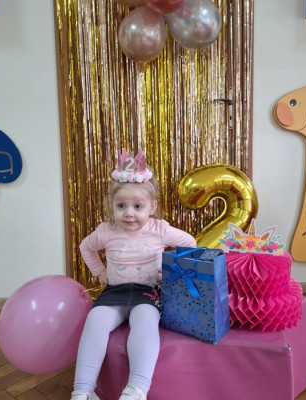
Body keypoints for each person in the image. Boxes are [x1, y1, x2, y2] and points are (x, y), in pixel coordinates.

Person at [71, 148, 197, 400]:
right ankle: (83, 390)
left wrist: (170, 271)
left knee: (145, 321)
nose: (129, 213)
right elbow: (85, 247)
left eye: (138, 206)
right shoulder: (106, 231)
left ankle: (137, 389)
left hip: (147, 293)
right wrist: (100, 272)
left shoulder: (159, 229)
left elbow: (191, 243)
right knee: (95, 321)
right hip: (114, 293)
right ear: (112, 207)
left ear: (152, 207)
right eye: (121, 206)